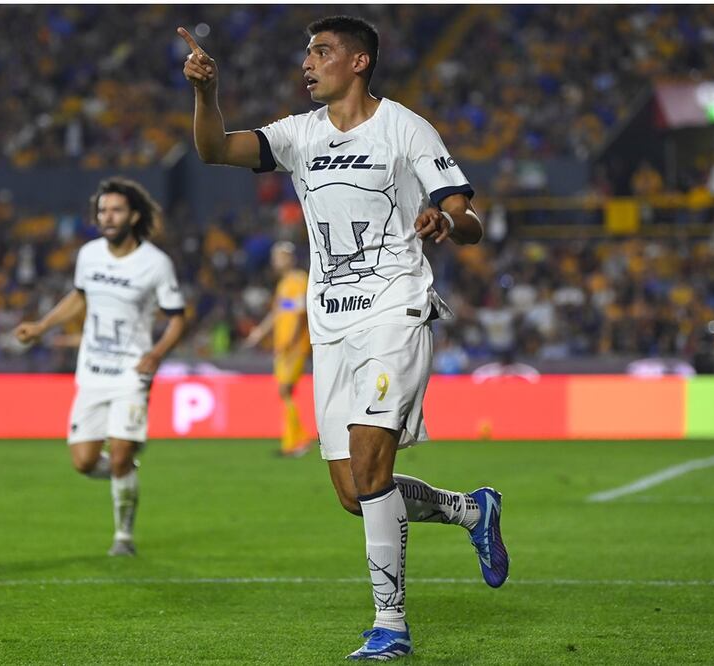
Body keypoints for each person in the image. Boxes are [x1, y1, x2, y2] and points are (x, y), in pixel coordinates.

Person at [179, 16, 508, 660]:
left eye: (322, 51)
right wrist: (205, 93)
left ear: (359, 62)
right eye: (307, 52)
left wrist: (446, 221)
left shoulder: (406, 128)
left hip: (395, 310)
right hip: (329, 325)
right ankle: (473, 511)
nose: (308, 62)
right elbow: (214, 148)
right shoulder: (299, 134)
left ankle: (391, 624)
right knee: (355, 493)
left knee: (370, 465)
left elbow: (466, 215)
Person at [14, 177, 187, 556]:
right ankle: (125, 473)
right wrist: (42, 326)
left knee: (121, 451)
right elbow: (79, 297)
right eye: (102, 210)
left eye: (116, 210)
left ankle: (123, 536)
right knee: (84, 462)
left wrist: (157, 353)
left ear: (134, 216)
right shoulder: (89, 255)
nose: (107, 217)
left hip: (131, 373)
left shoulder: (156, 264)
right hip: (92, 371)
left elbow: (177, 318)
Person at [243, 241, 315, 457]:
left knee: (285, 389)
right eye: (275, 257)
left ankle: (298, 441)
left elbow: (301, 313)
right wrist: (259, 333)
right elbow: (277, 313)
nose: (276, 261)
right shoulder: (284, 284)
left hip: (294, 346)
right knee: (285, 392)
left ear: (290, 258)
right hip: (283, 345)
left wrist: (292, 341)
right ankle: (294, 440)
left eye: (280, 257)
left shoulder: (299, 280)